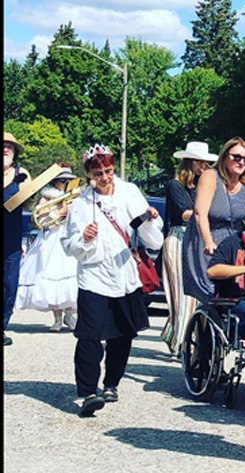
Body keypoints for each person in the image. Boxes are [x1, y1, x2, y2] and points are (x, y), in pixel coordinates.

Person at [61, 144, 164, 417]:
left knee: (122, 332)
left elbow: (152, 236)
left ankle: (111, 383)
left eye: (108, 171)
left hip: (124, 272)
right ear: (88, 175)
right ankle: (87, 392)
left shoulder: (128, 191)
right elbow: (69, 245)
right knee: (89, 334)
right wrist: (84, 237)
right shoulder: (81, 204)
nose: (105, 178)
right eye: (98, 174)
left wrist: (150, 218)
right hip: (93, 275)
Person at [182, 138, 245, 305]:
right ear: (224, 157)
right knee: (208, 292)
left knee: (233, 292)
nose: (241, 162)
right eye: (236, 157)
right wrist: (208, 241)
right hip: (207, 238)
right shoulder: (210, 176)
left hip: (232, 244)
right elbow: (200, 213)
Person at [160, 141, 217, 353]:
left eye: (205, 163)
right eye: (199, 162)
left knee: (195, 294)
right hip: (179, 238)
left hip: (196, 238)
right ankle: (181, 344)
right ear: (189, 162)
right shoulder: (175, 185)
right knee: (181, 294)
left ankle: (175, 335)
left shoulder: (201, 186)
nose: (203, 166)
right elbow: (184, 213)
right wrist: (203, 212)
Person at [16, 165, 80, 331]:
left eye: (68, 180)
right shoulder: (46, 197)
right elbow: (39, 218)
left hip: (69, 236)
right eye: (62, 180)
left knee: (71, 276)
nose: (65, 183)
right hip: (52, 238)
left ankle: (69, 315)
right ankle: (57, 318)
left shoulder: (77, 197)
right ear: (55, 182)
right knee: (50, 273)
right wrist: (57, 213)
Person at [4, 131, 31, 346]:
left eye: (9, 146)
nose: (5, 149)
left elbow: (29, 199)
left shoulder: (22, 174)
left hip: (11, 239)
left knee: (9, 284)